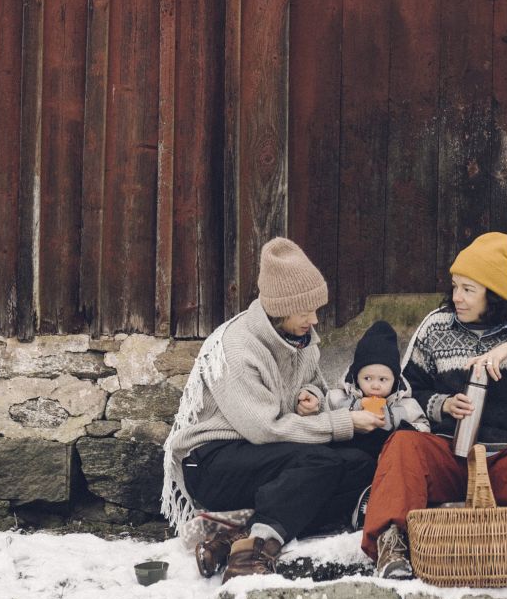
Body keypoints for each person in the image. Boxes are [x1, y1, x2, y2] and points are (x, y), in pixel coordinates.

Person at [359, 232, 507, 595]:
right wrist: (441, 404)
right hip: (450, 455)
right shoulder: (436, 326)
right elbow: (405, 391)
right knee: (404, 445)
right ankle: (391, 547)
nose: (457, 297)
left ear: (494, 294)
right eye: (455, 286)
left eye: (469, 289)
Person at [161, 237, 384, 581]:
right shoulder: (238, 345)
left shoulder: (302, 340)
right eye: (304, 311)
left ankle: (233, 534)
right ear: (279, 309)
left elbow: (317, 387)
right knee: (321, 461)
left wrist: (311, 397)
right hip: (214, 462)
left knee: (360, 465)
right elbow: (264, 429)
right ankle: (255, 549)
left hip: (267, 456)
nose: (314, 319)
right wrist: (342, 422)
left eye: (316, 309)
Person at [323, 320, 430, 456]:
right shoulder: (337, 397)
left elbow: (424, 428)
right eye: (367, 378)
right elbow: (323, 420)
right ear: (356, 377)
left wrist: (397, 424)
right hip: (343, 454)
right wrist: (354, 409)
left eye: (383, 379)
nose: (375, 385)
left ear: (395, 380)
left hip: (384, 458)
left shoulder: (406, 405)